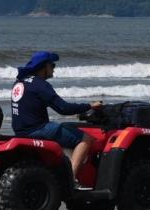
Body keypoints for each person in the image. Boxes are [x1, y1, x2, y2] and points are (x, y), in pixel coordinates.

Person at [11, 51, 102, 182]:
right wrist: (89, 106)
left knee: (63, 127)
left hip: (20, 131)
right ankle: (71, 179)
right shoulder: (41, 85)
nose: (54, 68)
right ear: (44, 67)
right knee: (84, 138)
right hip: (37, 130)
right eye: (52, 65)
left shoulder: (20, 82)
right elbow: (63, 108)